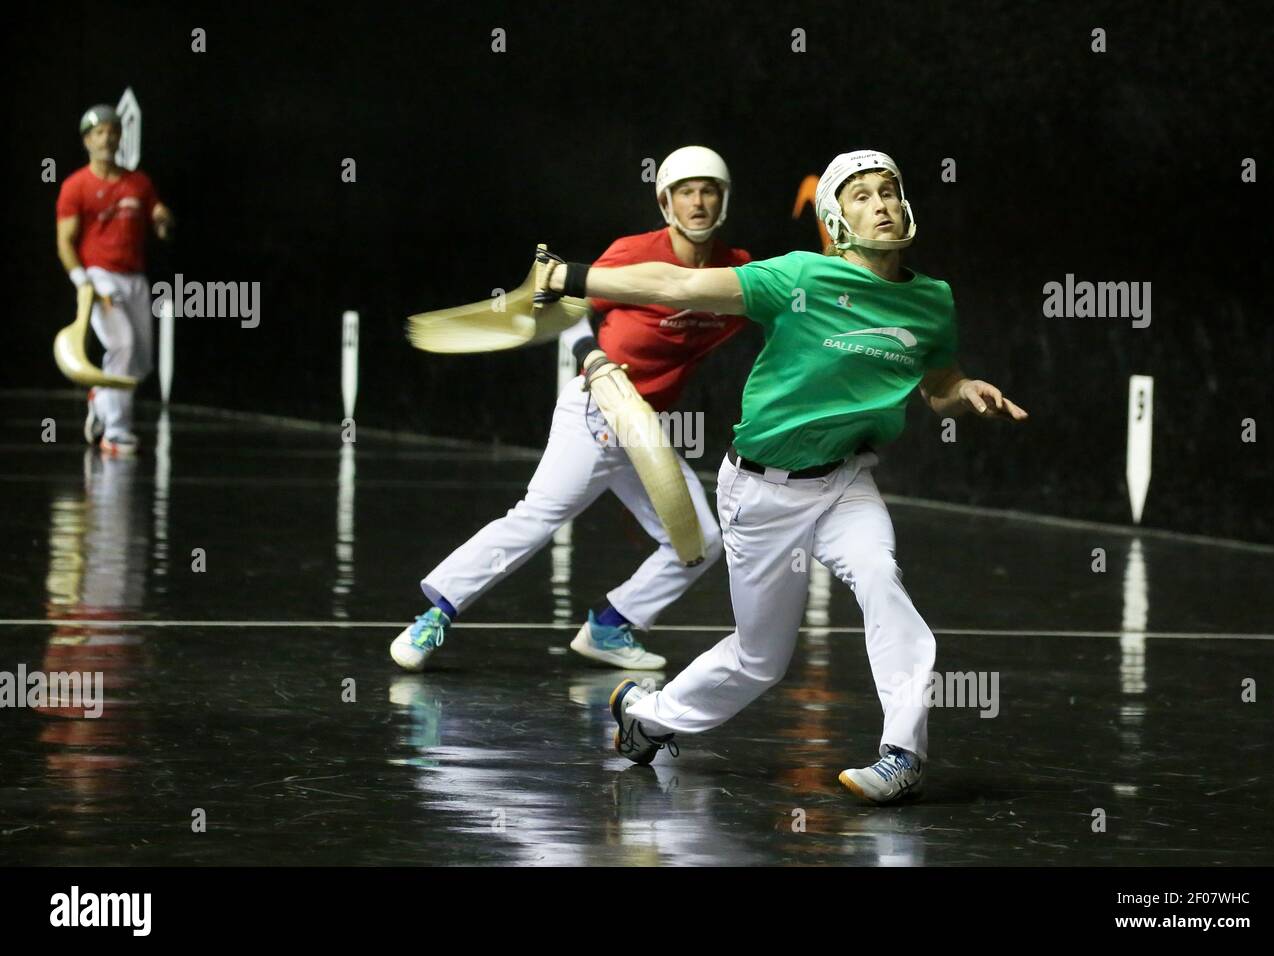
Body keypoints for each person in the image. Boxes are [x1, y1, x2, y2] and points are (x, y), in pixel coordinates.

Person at [537, 149, 1028, 804]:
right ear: (836, 217)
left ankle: (903, 753)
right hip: (761, 491)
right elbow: (677, 287)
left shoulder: (933, 300)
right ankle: (647, 717)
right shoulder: (798, 278)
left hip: (845, 481)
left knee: (882, 578)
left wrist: (963, 390)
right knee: (761, 660)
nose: (881, 205)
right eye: (862, 197)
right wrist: (574, 276)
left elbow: (934, 382)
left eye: (890, 192)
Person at [390, 147, 753, 672]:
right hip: (595, 414)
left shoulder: (736, 269)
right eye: (685, 192)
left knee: (698, 540)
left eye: (708, 191)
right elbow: (569, 310)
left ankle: (609, 627)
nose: (697, 202)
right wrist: (593, 356)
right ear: (666, 201)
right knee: (538, 518)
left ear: (723, 201)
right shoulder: (633, 253)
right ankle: (435, 614)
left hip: (647, 428)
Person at [55, 104, 174, 457]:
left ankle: (100, 399)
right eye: (99, 132)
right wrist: (83, 282)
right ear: (87, 140)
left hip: (135, 280)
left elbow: (159, 224)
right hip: (99, 278)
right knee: (121, 345)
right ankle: (116, 431)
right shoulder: (76, 186)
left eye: (112, 131)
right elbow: (64, 241)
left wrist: (163, 221)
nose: (107, 138)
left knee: (141, 362)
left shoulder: (138, 183)